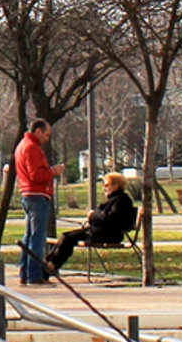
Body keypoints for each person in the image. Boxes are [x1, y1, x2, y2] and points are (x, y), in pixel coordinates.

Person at [47, 173, 138, 274]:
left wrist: (93, 215)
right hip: (98, 232)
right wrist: (94, 216)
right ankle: (48, 263)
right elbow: (102, 215)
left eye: (107, 185)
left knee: (68, 239)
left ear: (116, 186)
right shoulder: (113, 199)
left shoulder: (122, 200)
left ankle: (50, 266)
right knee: (66, 236)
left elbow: (109, 218)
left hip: (108, 235)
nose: (104, 188)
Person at [14, 119, 57, 285]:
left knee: (29, 236)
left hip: (28, 194)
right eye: (46, 135)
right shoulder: (32, 148)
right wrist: (53, 171)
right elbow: (36, 175)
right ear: (38, 131)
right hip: (36, 195)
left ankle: (25, 272)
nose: (47, 139)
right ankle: (34, 275)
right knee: (37, 238)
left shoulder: (22, 146)